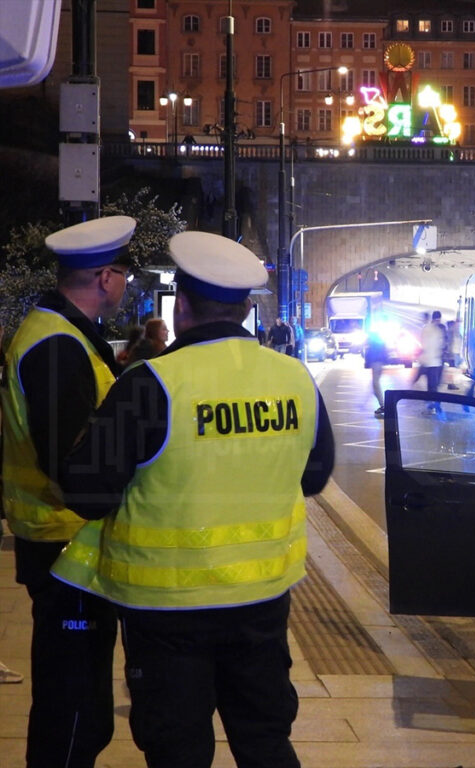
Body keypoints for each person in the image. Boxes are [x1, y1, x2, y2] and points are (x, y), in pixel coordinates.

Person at [51, 230, 335, 768]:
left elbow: (87, 493)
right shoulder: (294, 378)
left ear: (181, 306)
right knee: (265, 740)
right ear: (248, 310)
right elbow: (315, 476)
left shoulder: (149, 383)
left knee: (178, 748)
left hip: (166, 611)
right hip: (261, 601)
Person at [1, 215, 136, 766]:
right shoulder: (58, 347)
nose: (128, 285)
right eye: (124, 273)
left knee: (73, 698)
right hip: (67, 554)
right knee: (75, 707)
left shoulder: (60, 334)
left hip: (62, 547)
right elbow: (74, 466)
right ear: (105, 277)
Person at [419, 310, 446, 412]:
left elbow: (423, 344)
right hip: (435, 361)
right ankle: (435, 405)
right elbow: (441, 344)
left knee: (431, 385)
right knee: (433, 385)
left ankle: (432, 404)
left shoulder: (426, 328)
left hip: (429, 361)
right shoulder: (437, 330)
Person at [364, 328, 389, 417]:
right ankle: (382, 404)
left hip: (376, 363)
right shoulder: (378, 341)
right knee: (375, 384)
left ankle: (383, 405)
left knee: (375, 384)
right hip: (378, 363)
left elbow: (369, 353)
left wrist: (367, 363)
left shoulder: (374, 343)